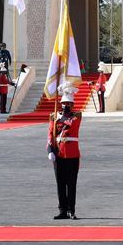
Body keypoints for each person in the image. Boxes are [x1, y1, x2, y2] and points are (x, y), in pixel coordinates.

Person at [47, 83, 82, 220]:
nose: (66, 105)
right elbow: (50, 134)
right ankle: (62, 210)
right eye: (64, 103)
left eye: (69, 103)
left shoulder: (76, 115)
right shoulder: (53, 116)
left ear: (72, 105)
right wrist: (50, 149)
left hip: (72, 154)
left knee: (71, 183)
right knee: (60, 183)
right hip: (59, 153)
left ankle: (71, 210)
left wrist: (62, 117)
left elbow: (71, 125)